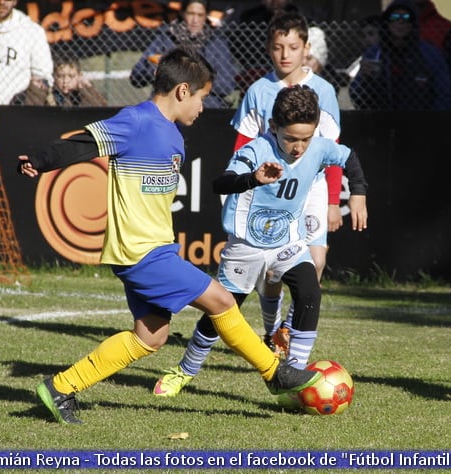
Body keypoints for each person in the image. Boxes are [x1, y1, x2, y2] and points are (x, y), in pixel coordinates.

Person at [17, 46, 321, 425]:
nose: (203, 107)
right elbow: (83, 143)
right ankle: (275, 374)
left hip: (152, 250)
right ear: (182, 91)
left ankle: (60, 388)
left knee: (150, 337)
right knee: (222, 300)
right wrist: (41, 160)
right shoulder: (137, 121)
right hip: (142, 253)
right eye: (202, 97)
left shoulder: (175, 138)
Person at [153, 12, 344, 397]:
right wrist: (245, 181)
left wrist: (337, 200)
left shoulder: (323, 91)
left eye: (293, 47)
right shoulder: (259, 93)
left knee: (312, 274)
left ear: (306, 48)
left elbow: (335, 152)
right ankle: (192, 365)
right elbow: (240, 153)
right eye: (278, 47)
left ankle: (290, 363)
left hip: (305, 196)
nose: (285, 54)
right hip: (260, 204)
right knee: (228, 302)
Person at [349, 0, 451, 111]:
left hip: (420, 121)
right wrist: (364, 78)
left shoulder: (429, 53)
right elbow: (356, 94)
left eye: (406, 17)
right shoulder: (375, 52)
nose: (400, 22)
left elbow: (444, 92)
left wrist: (434, 121)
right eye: (395, 17)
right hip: (381, 120)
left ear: (413, 23)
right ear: (387, 22)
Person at [130, 0, 235, 108]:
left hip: (204, 106)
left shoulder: (215, 42)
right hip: (167, 103)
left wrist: (187, 81)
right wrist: (154, 70)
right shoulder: (166, 37)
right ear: (182, 14)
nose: (195, 20)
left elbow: (226, 86)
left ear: (206, 16)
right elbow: (136, 78)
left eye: (200, 15)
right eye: (191, 14)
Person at [19, 59, 107, 107]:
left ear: (79, 76)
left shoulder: (84, 93)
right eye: (60, 76)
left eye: (71, 76)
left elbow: (97, 111)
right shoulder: (49, 94)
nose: (66, 81)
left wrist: (87, 89)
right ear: (54, 76)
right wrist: (36, 92)